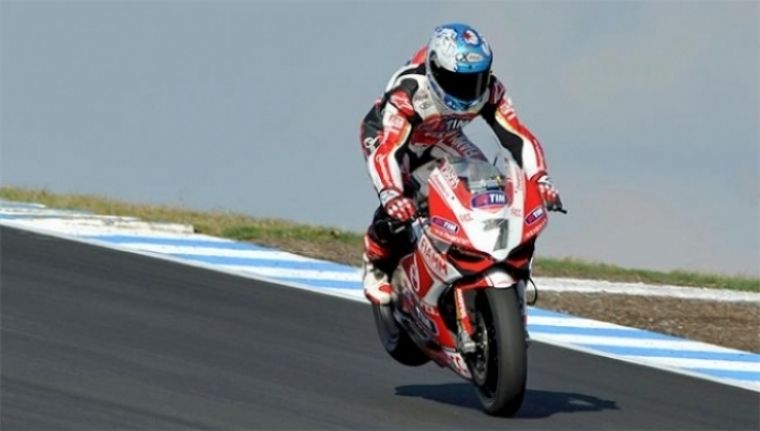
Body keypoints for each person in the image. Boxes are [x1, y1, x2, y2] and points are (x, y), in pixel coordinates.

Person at [360, 23, 562, 305]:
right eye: (459, 82)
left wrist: (540, 177)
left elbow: (518, 136)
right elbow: (388, 152)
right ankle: (376, 260)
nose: (470, 91)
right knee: (402, 199)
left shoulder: (491, 91)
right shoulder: (408, 94)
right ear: (435, 71)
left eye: (477, 79)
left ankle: (479, 252)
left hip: (443, 135)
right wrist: (391, 194)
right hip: (390, 139)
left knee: (484, 182)